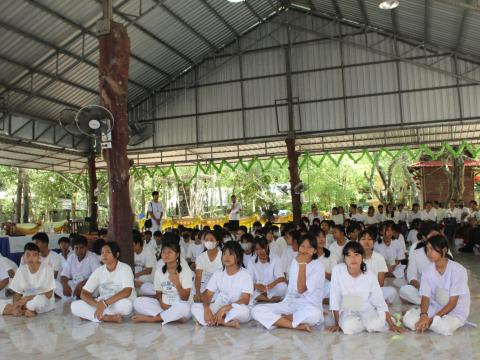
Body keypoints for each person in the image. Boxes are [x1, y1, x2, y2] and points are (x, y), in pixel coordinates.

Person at [327, 241, 405, 335]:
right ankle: (367, 323)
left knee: (377, 325)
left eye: (356, 254)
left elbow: (379, 301)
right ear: (344, 258)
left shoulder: (370, 276)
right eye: (349, 255)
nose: (353, 258)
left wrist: (392, 325)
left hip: (366, 306)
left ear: (362, 257)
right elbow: (335, 298)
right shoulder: (337, 270)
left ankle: (388, 319)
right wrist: (337, 323)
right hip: (347, 306)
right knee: (349, 327)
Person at [251, 234, 325, 332]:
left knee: (316, 314)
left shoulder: (318, 266)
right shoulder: (295, 262)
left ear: (315, 250)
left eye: (309, 247)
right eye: (302, 246)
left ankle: (280, 320)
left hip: (308, 305)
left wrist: (302, 264)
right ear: (298, 247)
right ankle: (294, 324)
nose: (305, 250)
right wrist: (285, 304)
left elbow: (301, 289)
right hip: (291, 303)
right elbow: (291, 289)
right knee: (256, 310)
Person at [403, 235, 470, 335]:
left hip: (455, 311)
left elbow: (453, 303)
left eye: (432, 249)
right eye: (427, 249)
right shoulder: (427, 270)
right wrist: (424, 315)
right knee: (409, 320)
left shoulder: (458, 270)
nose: (428, 253)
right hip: (434, 307)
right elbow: (425, 296)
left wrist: (431, 319)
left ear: (444, 250)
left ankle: (431, 323)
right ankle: (428, 322)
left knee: (442, 328)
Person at [191, 241, 253, 329]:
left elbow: (245, 300)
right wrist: (206, 309)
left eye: (231, 254)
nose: (226, 257)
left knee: (244, 311)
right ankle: (224, 322)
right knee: (195, 307)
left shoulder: (246, 274)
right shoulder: (218, 273)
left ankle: (215, 320)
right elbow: (208, 295)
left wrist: (224, 309)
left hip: (235, 308)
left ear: (238, 257)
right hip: (219, 306)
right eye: (224, 254)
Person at [71, 242, 135, 323]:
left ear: (117, 254)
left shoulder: (125, 268)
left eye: (108, 252)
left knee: (126, 305)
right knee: (75, 306)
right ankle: (106, 318)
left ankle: (94, 316)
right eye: (102, 253)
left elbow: (127, 291)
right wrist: (98, 305)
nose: (104, 255)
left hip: (118, 302)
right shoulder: (99, 270)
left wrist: (105, 304)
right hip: (102, 303)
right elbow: (84, 293)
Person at [132, 239, 192, 324]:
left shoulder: (185, 271)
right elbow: (158, 293)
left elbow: (185, 298)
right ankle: (173, 317)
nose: (166, 255)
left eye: (169, 252)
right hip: (164, 305)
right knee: (138, 302)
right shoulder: (159, 271)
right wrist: (161, 302)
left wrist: (177, 283)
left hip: (180, 304)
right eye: (163, 252)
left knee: (185, 308)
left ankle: (154, 319)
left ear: (177, 254)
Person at [7, 242, 56, 317]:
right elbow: (17, 291)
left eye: (34, 255)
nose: (31, 258)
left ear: (39, 256)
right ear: (23, 257)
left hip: (44, 301)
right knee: (7, 303)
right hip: (25, 301)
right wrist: (16, 307)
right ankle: (26, 310)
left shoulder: (47, 269)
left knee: (38, 301)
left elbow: (48, 294)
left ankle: (28, 309)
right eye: (28, 255)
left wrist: (26, 298)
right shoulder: (21, 270)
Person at [56, 235, 100, 300]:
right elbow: (64, 275)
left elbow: (97, 276)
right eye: (76, 248)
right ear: (73, 248)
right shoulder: (72, 257)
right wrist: (65, 285)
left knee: (93, 287)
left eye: (81, 248)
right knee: (54, 283)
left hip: (89, 285)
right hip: (75, 284)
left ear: (86, 247)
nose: (79, 251)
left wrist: (81, 285)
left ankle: (73, 296)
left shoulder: (92, 257)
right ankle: (75, 296)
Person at [359, 230, 397, 304]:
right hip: (358, 291)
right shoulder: (354, 257)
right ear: (358, 242)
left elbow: (381, 283)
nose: (366, 242)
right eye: (363, 239)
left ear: (373, 243)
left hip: (374, 291)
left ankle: (366, 303)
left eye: (369, 239)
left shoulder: (379, 258)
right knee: (346, 298)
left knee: (392, 291)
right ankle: (373, 304)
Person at [248, 237, 287, 303]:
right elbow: (249, 279)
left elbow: (281, 278)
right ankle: (269, 299)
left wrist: (269, 286)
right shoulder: (251, 260)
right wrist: (257, 286)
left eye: (262, 248)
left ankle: (262, 297)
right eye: (257, 249)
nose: (259, 251)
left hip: (272, 287)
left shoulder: (275, 258)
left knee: (283, 287)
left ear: (267, 246)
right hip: (258, 288)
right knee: (246, 289)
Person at [193, 231, 222, 302]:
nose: (209, 242)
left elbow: (220, 278)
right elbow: (198, 276)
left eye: (212, 240)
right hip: (203, 285)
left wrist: (204, 294)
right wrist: (198, 293)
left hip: (218, 287)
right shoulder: (201, 257)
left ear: (217, 242)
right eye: (206, 240)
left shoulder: (222, 256)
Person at [312, 227, 337, 300]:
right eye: (318, 237)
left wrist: (323, 273)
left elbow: (335, 277)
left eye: (323, 237)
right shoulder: (309, 256)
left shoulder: (331, 255)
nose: (322, 239)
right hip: (312, 288)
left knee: (332, 286)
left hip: (326, 287)